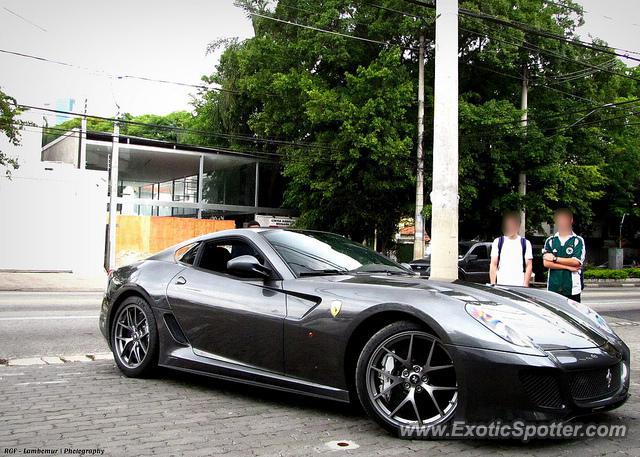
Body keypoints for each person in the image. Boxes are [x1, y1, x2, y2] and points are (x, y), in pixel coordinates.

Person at [542, 208, 586, 302]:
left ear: (571, 220)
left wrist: (554, 258)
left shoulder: (577, 240)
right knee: (553, 315)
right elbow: (546, 263)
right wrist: (568, 267)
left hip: (572, 289)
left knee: (572, 315)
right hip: (553, 287)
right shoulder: (551, 241)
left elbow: (576, 262)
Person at [489, 212, 533, 287]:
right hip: (501, 284)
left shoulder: (525, 243)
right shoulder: (498, 242)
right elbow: (493, 264)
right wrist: (493, 283)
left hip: (519, 285)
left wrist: (525, 284)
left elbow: (529, 265)